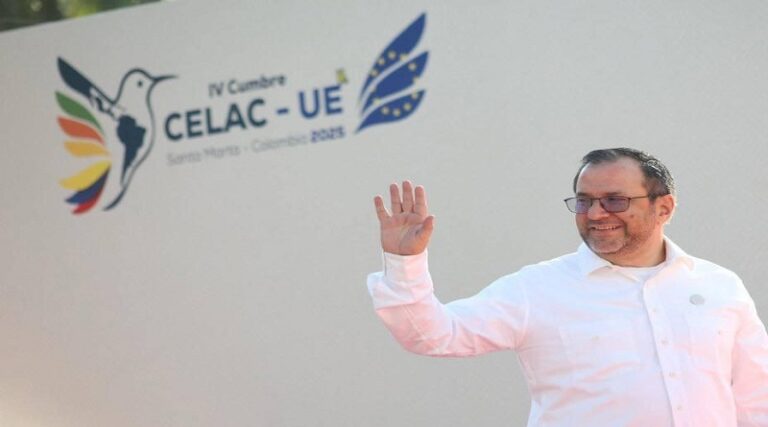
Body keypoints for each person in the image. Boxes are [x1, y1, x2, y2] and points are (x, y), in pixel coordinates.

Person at [367, 148, 768, 426]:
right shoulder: (537, 289)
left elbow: (756, 399)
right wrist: (404, 262)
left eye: (614, 200)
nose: (595, 213)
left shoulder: (719, 286)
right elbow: (435, 335)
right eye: (583, 201)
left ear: (664, 207)